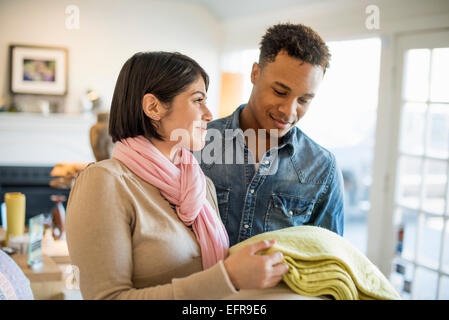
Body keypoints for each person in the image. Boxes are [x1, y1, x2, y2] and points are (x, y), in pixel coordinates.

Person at [65, 51, 289, 300]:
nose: (208, 114)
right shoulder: (104, 181)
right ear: (153, 107)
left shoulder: (203, 186)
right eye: (197, 100)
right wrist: (228, 278)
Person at [196, 23, 345, 247]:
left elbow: (328, 259)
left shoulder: (323, 168)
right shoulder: (195, 142)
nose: (289, 111)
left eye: (304, 100)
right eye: (280, 92)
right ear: (255, 73)